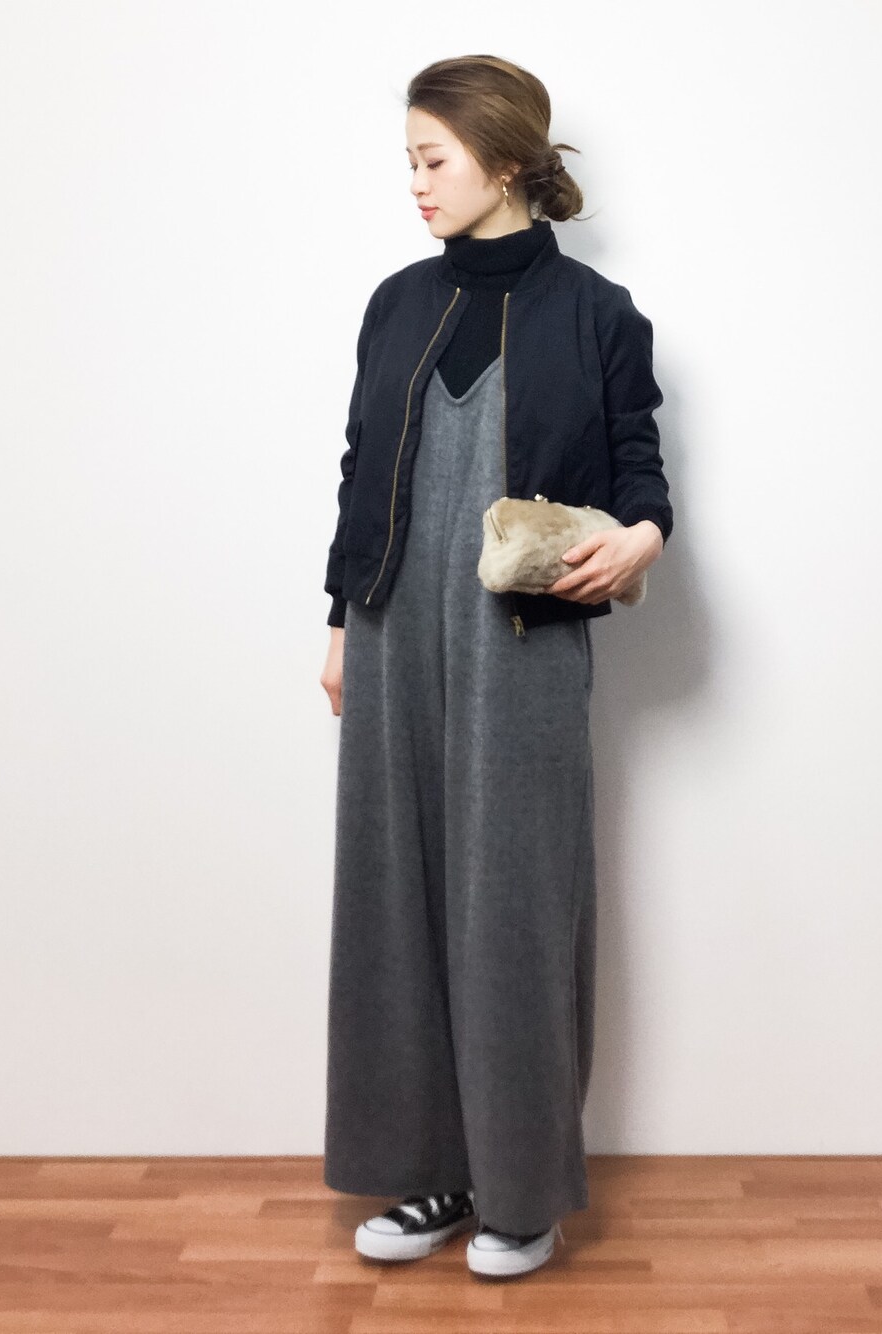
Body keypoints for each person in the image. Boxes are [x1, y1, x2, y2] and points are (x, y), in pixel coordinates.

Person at [319, 54, 673, 1279]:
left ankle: (521, 1190)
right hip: (390, 628)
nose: (415, 182)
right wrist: (337, 620)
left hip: (522, 638)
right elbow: (359, 467)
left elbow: (640, 470)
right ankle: (431, 1170)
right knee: (395, 895)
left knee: (513, 903)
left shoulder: (598, 313)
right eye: (409, 161)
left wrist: (639, 538)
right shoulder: (395, 303)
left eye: (433, 158)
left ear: (508, 160)